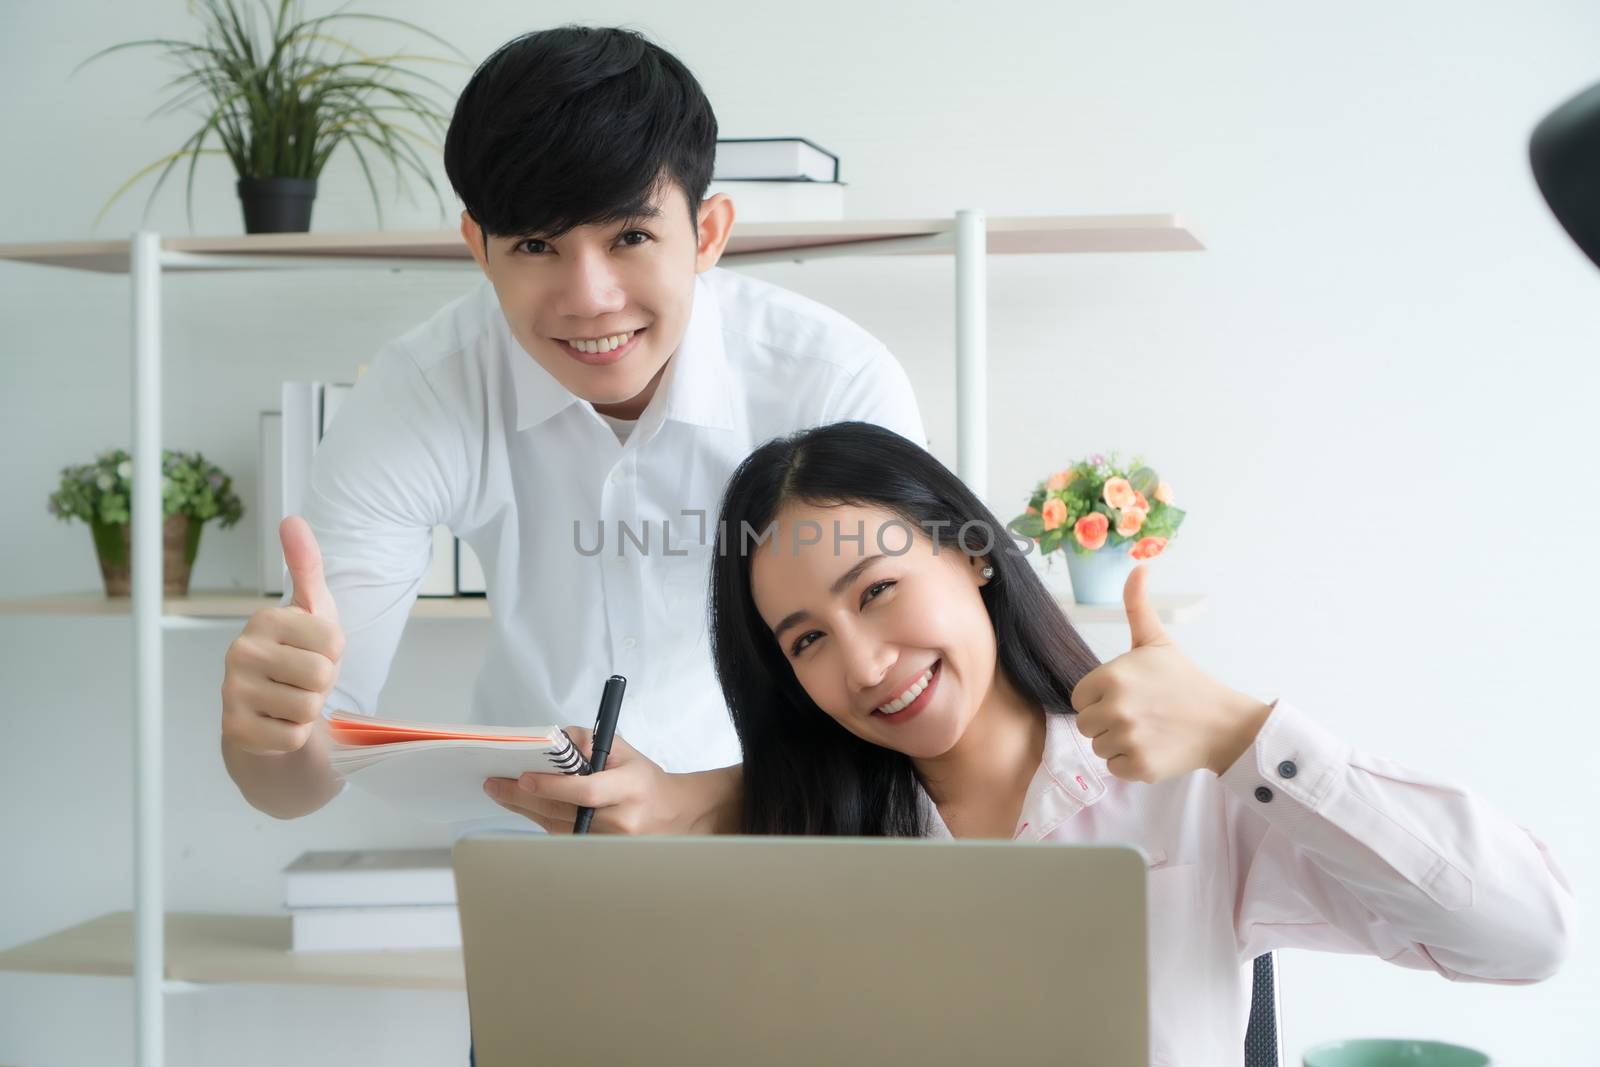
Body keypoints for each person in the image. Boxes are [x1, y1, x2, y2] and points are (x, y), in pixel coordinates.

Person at [218, 26, 924, 838]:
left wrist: (684, 805)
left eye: (629, 236)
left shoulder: (830, 382)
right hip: (541, 853)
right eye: (537, 245)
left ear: (707, 233)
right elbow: (293, 788)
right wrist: (269, 735)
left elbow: (910, 719)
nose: (588, 297)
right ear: (479, 250)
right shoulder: (421, 392)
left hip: (797, 832)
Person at [705, 420, 1575, 1064]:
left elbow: (1525, 934)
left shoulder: (1190, 790)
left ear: (971, 554)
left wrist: (1245, 735)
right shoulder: (806, 845)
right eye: (807, 639)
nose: (863, 663)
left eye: (877, 589)